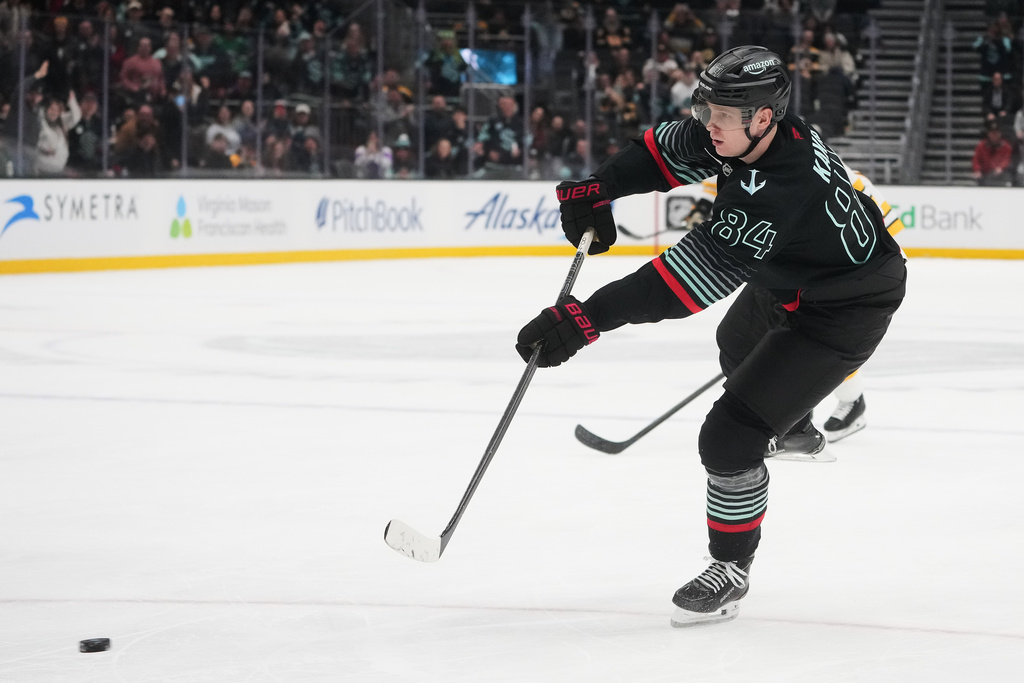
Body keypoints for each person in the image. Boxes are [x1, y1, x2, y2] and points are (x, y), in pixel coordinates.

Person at [515, 46, 906, 627]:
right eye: (708, 109)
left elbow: (682, 282)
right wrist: (597, 188)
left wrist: (585, 319)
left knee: (728, 440)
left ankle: (730, 569)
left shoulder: (777, 187)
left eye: (722, 116)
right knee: (736, 343)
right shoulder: (747, 128)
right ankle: (795, 428)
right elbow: (663, 152)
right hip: (793, 279)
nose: (709, 125)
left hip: (847, 307)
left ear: (763, 117)